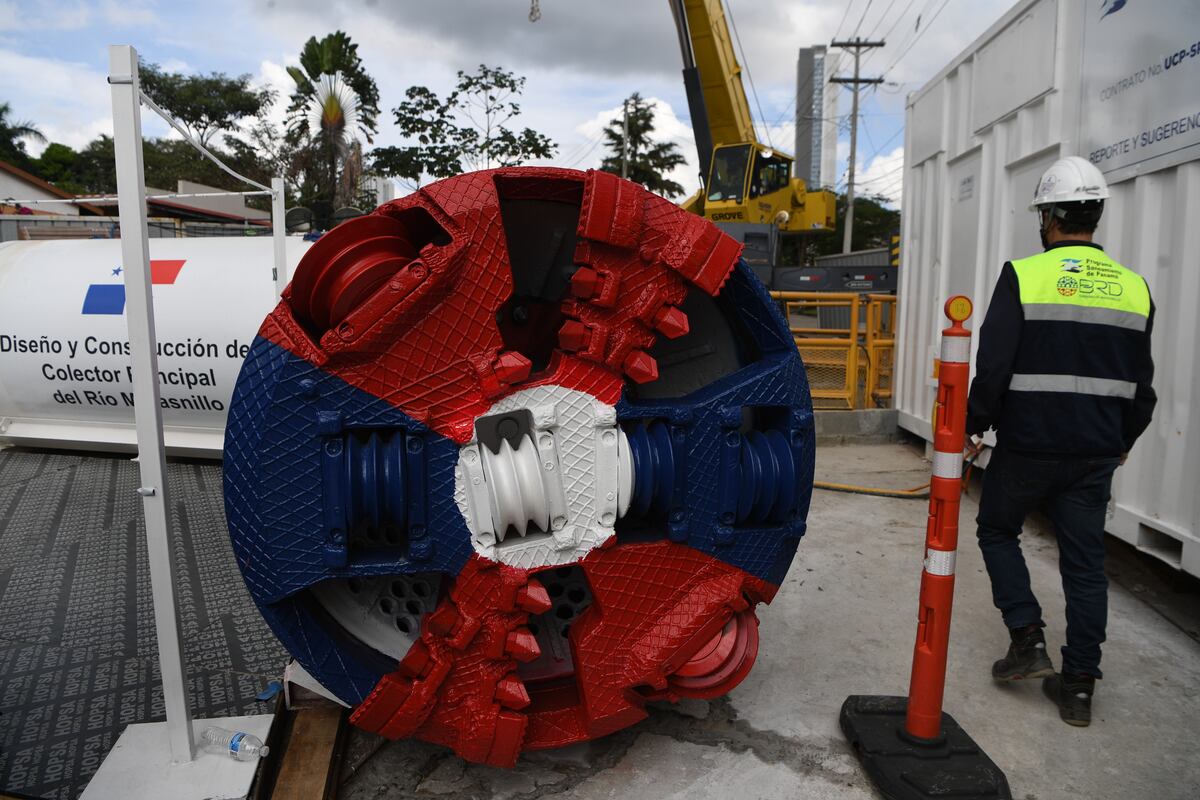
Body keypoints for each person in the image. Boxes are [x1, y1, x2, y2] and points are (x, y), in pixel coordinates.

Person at [964, 156, 1156, 727]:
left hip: (1027, 446)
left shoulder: (1024, 275)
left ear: (1048, 217)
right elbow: (1141, 385)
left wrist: (975, 425)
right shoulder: (1134, 287)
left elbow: (994, 365)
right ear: (1095, 215)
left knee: (997, 529)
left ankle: (1027, 639)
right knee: (1085, 565)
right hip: (1095, 451)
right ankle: (1078, 689)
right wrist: (1123, 439)